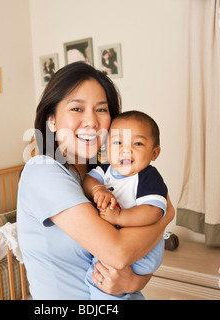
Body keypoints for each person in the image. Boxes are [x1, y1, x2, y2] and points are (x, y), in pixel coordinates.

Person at [17, 62, 175, 299]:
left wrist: (133, 283)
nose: (91, 121)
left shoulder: (108, 172)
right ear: (51, 120)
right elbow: (119, 253)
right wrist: (167, 216)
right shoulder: (42, 171)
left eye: (101, 110)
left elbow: (140, 256)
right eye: (77, 109)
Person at [82, 110, 167, 299]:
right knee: (111, 285)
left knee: (99, 282)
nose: (125, 150)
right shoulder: (105, 170)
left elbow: (154, 212)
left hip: (142, 251)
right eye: (118, 142)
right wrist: (98, 189)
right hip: (121, 248)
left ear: (154, 153)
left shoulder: (147, 177)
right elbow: (87, 181)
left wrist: (120, 217)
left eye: (137, 143)